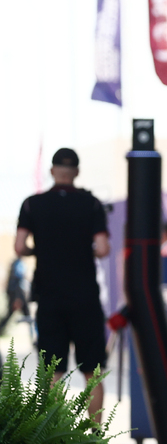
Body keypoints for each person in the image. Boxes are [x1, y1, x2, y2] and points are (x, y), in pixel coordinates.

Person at [15, 148, 110, 422]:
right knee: (92, 373)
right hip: (85, 299)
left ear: (52, 171)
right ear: (77, 172)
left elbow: (19, 246)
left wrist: (41, 251)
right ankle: (95, 441)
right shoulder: (91, 204)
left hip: (50, 298)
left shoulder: (32, 204)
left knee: (52, 373)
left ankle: (51, 439)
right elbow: (102, 248)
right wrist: (82, 250)